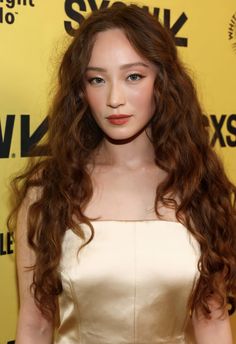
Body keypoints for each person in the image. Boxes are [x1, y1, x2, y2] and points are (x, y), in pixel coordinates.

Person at [8, 3, 236, 344]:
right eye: (97, 79)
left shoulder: (198, 186)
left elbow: (213, 322)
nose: (114, 98)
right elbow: (35, 325)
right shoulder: (48, 192)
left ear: (163, 81)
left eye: (133, 76)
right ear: (81, 91)